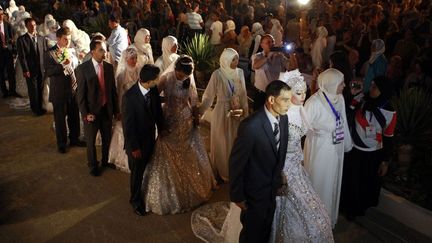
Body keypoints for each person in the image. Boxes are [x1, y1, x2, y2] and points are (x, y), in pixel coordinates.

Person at [142, 55, 215, 215]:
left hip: (186, 119)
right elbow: (154, 95)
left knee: (189, 150)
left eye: (186, 75)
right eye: (181, 74)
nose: (183, 77)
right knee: (166, 148)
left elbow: (194, 100)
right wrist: (162, 104)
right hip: (169, 118)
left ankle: (192, 185)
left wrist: (195, 117)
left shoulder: (189, 79)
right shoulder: (167, 78)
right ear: (176, 69)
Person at [270, 69, 334, 242]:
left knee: (310, 208)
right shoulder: (282, 115)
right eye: (298, 93)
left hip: (297, 167)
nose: (303, 96)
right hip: (284, 169)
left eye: (305, 91)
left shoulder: (300, 110)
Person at [229, 80, 291, 243]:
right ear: (271, 100)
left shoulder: (283, 120)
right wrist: (237, 196)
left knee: (266, 230)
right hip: (253, 194)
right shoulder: (250, 126)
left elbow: (280, 152)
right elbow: (236, 163)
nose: (289, 105)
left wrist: (278, 178)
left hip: (271, 189)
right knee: (252, 234)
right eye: (285, 100)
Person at [341, 76, 396, 220]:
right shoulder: (362, 99)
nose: (370, 88)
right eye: (371, 85)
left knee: (365, 183)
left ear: (382, 90)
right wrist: (353, 95)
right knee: (352, 182)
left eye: (374, 87)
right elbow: (347, 109)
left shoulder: (390, 111)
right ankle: (349, 209)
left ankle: (361, 208)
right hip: (355, 149)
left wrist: (385, 161)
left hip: (373, 153)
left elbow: (389, 137)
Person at [303, 68, 353, 227]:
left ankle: (328, 218)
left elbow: (343, 121)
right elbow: (301, 127)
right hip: (320, 150)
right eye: (341, 83)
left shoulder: (340, 98)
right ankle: (315, 221)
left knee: (333, 181)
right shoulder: (314, 102)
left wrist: (346, 144)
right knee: (320, 182)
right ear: (331, 83)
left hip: (336, 149)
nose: (344, 85)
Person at [199, 48, 248, 181]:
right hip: (222, 111)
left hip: (236, 109)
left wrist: (245, 112)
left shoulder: (240, 72)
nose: (237, 62)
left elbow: (243, 94)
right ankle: (222, 170)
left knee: (234, 140)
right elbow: (209, 96)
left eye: (237, 58)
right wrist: (200, 112)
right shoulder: (217, 74)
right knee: (221, 141)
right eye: (233, 59)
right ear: (226, 60)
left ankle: (233, 169)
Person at [122, 64, 164, 216]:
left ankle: (144, 193)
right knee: (136, 174)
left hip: (149, 139)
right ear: (148, 81)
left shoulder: (152, 90)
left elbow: (158, 112)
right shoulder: (129, 97)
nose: (158, 80)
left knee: (147, 169)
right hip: (136, 145)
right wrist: (134, 148)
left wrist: (163, 129)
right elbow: (128, 127)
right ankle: (135, 201)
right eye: (156, 79)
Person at [76, 40, 119, 177]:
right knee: (91, 141)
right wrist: (85, 114)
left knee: (107, 139)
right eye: (101, 50)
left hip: (107, 110)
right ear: (92, 51)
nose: (104, 52)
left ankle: (105, 161)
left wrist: (116, 110)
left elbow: (113, 91)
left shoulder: (108, 67)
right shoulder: (83, 69)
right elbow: (80, 95)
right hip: (92, 113)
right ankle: (93, 165)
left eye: (105, 49)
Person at [44, 27, 85, 153]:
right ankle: (62, 143)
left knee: (74, 116)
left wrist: (79, 60)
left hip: (73, 89)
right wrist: (61, 65)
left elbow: (76, 68)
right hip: (59, 91)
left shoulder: (71, 51)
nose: (68, 42)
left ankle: (75, 138)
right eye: (65, 39)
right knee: (60, 119)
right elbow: (48, 71)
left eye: (69, 39)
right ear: (58, 38)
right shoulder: (50, 53)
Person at [108, 47, 140, 172]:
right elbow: (120, 94)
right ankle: (123, 158)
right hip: (126, 106)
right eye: (132, 58)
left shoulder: (139, 71)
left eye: (136, 58)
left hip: (138, 105)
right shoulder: (122, 74)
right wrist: (120, 111)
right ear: (126, 59)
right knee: (124, 129)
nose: (134, 60)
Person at [16, 17, 48, 116]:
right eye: (30, 25)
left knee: (40, 88)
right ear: (26, 27)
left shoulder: (41, 38)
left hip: (41, 69)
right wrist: (25, 70)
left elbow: (45, 53)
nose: (33, 27)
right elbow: (22, 57)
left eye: (34, 25)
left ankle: (40, 106)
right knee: (33, 89)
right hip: (30, 69)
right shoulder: (22, 40)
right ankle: (35, 109)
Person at [252, 34, 290, 110]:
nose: (271, 44)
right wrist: (267, 56)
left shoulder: (279, 57)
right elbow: (255, 66)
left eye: (272, 42)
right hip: (261, 93)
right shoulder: (257, 56)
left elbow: (291, 68)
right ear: (262, 45)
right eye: (268, 42)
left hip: (274, 93)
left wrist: (291, 54)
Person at [0, 7, 20, 98]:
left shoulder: (8, 25)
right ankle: (4, 92)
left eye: (2, 14)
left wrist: (14, 50)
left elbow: (13, 39)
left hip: (8, 52)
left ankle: (13, 90)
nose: (1, 16)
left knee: (11, 72)